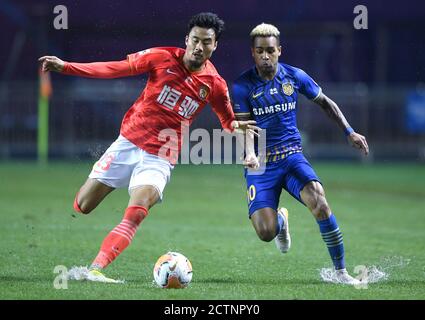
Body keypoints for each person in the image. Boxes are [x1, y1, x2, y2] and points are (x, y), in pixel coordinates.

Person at [39, 12, 258, 283]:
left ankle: (95, 269)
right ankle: (99, 198)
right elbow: (114, 68)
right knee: (83, 205)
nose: (199, 47)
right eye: (195, 40)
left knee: (137, 210)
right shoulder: (161, 57)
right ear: (186, 39)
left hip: (161, 155)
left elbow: (228, 123)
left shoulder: (214, 85)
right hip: (128, 143)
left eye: (207, 42)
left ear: (215, 46)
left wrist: (245, 140)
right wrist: (67, 67)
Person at [232, 23, 369, 285]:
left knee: (319, 201)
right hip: (260, 166)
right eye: (260, 51)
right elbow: (244, 126)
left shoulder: (295, 76)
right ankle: (281, 222)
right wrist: (249, 153)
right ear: (253, 53)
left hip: (291, 156)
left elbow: (326, 103)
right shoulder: (241, 86)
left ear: (279, 50)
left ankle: (340, 272)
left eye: (270, 50)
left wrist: (349, 131)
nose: (265, 56)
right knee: (265, 232)